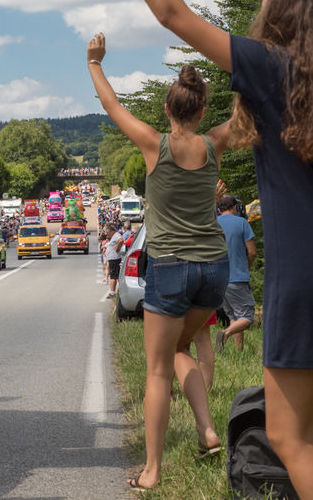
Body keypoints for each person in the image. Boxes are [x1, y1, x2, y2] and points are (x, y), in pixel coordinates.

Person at [81, 0, 313, 500]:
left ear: (287, 6)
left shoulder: (273, 68)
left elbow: (173, 15)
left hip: (308, 272)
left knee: (292, 438)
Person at [87, 34, 232, 492]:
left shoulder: (155, 144)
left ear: (168, 110)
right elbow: (248, 115)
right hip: (215, 268)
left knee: (157, 369)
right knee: (178, 349)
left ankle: (151, 471)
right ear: (203, 110)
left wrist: (94, 63)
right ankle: (207, 429)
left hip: (170, 267)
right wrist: (249, 66)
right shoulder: (215, 144)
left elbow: (112, 106)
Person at [215, 194, 257, 353]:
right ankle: (225, 333)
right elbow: (252, 252)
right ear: (234, 208)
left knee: (234, 316)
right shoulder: (242, 223)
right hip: (237, 278)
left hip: (218, 279)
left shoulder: (214, 223)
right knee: (247, 317)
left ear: (219, 209)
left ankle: (239, 352)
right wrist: (246, 267)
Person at [103, 223, 124, 298]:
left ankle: (112, 293)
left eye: (107, 233)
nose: (107, 234)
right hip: (112, 258)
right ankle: (113, 292)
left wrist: (117, 248)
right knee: (114, 275)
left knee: (113, 276)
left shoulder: (116, 235)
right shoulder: (114, 236)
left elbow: (121, 240)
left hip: (114, 258)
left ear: (111, 231)